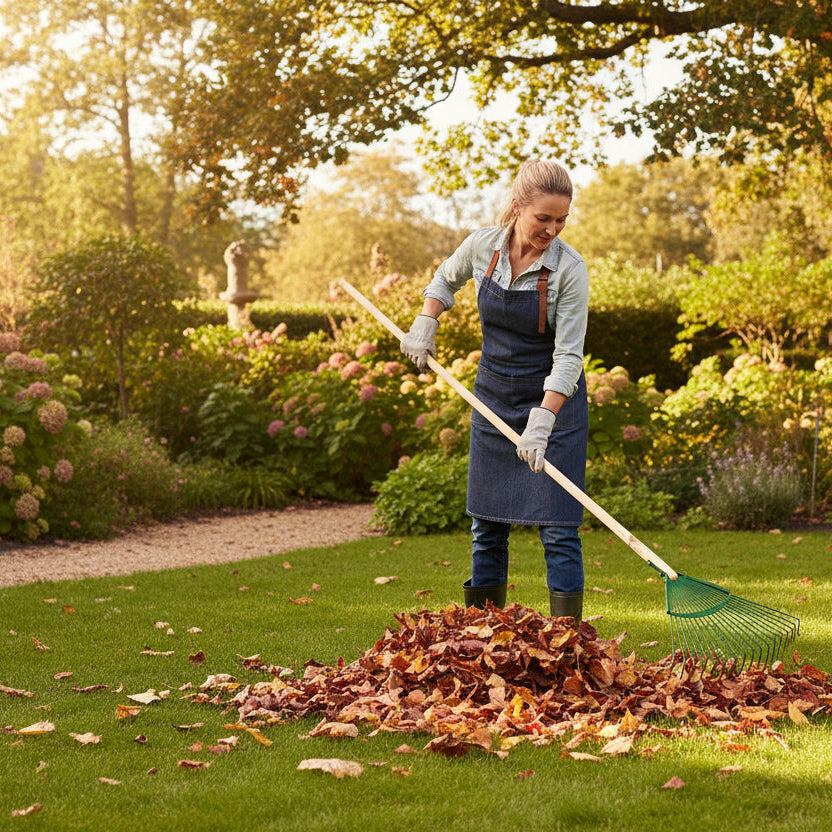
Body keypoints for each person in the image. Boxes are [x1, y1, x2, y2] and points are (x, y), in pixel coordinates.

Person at [400, 159, 589, 622]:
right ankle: (481, 634)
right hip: (493, 398)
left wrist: (543, 421)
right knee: (487, 524)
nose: (552, 229)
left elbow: (568, 357)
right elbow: (445, 279)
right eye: (543, 218)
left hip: (552, 405)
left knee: (558, 525)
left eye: (561, 219)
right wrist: (427, 319)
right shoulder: (483, 245)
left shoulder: (569, 269)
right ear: (517, 206)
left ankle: (568, 645)